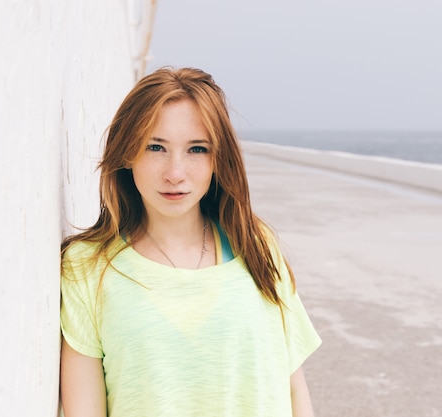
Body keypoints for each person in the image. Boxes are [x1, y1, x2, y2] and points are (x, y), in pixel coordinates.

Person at [60, 67, 322, 417]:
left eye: (196, 149)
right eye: (156, 147)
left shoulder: (257, 246)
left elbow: (293, 388)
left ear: (218, 159)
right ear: (127, 154)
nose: (175, 173)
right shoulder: (87, 267)